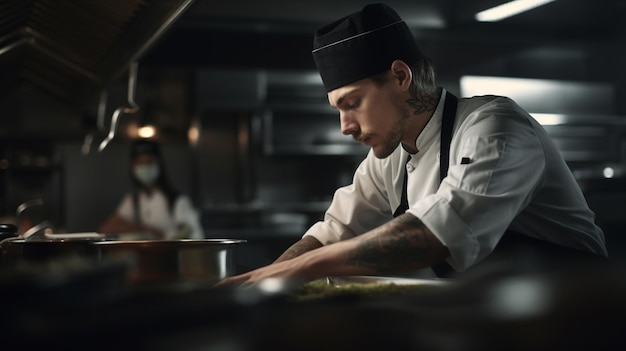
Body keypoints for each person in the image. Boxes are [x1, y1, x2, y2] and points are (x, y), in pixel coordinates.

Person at [218, 3, 608, 286]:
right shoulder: (389, 154)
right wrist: (261, 278)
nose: (345, 127)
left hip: (576, 315)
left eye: (352, 104)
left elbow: (435, 234)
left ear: (400, 76)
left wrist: (303, 269)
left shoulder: (495, 128)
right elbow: (331, 233)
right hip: (498, 315)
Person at [99, 139, 204, 240]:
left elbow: (196, 237)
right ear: (133, 166)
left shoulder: (177, 200)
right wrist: (144, 229)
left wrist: (163, 235)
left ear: (159, 164)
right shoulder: (133, 200)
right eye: (140, 162)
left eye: (149, 162)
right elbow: (107, 229)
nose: (145, 167)